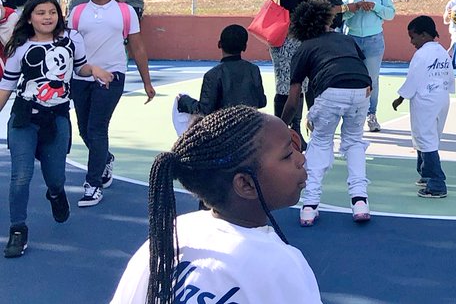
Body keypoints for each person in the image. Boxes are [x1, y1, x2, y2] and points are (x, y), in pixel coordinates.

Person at [109, 106, 322, 304]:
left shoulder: (170, 234)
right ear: (245, 184)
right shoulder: (279, 265)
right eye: (287, 154)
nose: (300, 159)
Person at [1, 0, 114, 258]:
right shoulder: (19, 47)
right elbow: (6, 86)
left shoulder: (72, 39)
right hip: (24, 119)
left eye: (52, 12)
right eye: (40, 13)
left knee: (56, 177)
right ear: (29, 18)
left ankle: (55, 193)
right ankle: (18, 229)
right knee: (21, 176)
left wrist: (94, 69)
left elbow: (80, 68)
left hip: (57, 118)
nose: (47, 17)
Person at [69, 0, 156, 208]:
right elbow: (69, 48)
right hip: (81, 76)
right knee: (84, 130)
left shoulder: (125, 12)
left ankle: (92, 184)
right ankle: (105, 158)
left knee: (97, 128)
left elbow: (137, 48)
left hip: (112, 76)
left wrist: (146, 82)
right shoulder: (77, 13)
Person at [281, 0, 372, 225]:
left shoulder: (304, 48)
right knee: (353, 142)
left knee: (321, 142)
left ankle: (309, 207)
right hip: (362, 89)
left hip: (331, 90)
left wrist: (281, 125)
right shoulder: (346, 39)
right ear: (326, 19)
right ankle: (360, 202)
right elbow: (360, 68)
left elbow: (293, 96)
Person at [392, 15, 453, 199]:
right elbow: (449, 76)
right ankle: (425, 173)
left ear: (424, 35)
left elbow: (413, 79)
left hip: (425, 100)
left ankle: (436, 183)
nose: (412, 42)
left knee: (425, 138)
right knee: (431, 136)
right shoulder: (442, 51)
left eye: (413, 37)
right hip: (442, 98)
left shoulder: (421, 55)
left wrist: (401, 98)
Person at [343, 0, 395, 131]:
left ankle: (371, 115)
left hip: (373, 40)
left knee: (371, 79)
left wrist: (375, 7)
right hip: (352, 39)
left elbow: (390, 14)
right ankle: (352, 115)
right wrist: (355, 7)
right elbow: (342, 15)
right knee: (351, 78)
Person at [176, 24, 267, 117]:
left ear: (219, 44)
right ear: (244, 47)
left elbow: (205, 110)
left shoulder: (212, 75)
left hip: (224, 128)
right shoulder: (253, 70)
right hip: (251, 127)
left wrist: (184, 101)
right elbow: (261, 102)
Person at [275, 0, 318, 137]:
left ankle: (296, 129)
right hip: (289, 42)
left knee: (300, 86)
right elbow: (291, 11)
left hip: (301, 41)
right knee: (287, 86)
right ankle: (282, 129)